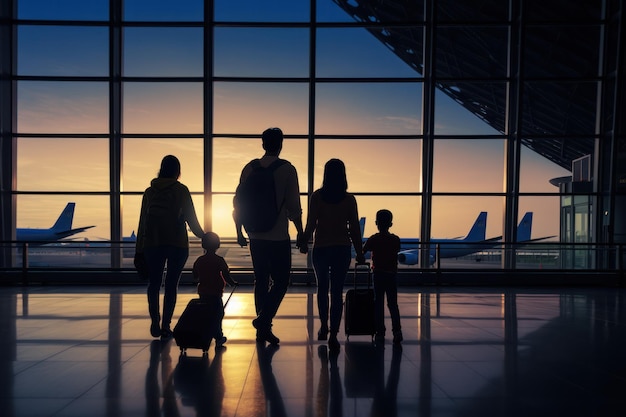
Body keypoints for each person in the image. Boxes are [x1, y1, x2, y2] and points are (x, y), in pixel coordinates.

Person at [233, 127, 305, 345]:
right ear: (281, 144)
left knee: (261, 280)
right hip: (278, 236)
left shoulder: (249, 168)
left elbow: (238, 203)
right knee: (282, 282)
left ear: (263, 144)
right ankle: (264, 320)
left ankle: (262, 328)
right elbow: (294, 206)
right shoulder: (287, 169)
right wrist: (301, 232)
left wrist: (239, 231)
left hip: (255, 234)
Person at [136, 155, 205, 339]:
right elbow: (191, 219)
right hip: (177, 244)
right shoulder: (181, 190)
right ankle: (166, 325)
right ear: (177, 171)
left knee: (154, 284)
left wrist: (139, 250)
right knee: (171, 285)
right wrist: (204, 235)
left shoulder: (150, 192)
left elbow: (142, 222)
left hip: (152, 243)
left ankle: (154, 321)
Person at [301, 158, 365, 351]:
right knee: (337, 293)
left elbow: (311, 224)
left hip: (321, 249)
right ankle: (334, 335)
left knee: (322, 289)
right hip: (341, 249)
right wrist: (360, 252)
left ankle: (323, 326)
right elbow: (354, 229)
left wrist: (304, 241)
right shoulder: (349, 200)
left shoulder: (317, 197)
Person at [362, 209, 403, 344]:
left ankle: (380, 331)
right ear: (390, 224)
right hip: (391, 275)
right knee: (393, 304)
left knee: (378, 304)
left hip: (378, 274)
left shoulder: (373, 239)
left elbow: (363, 251)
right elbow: (396, 249)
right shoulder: (395, 239)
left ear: (376, 223)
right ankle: (397, 331)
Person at [193, 232, 238, 347]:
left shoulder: (200, 260)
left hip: (203, 292)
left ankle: (206, 335)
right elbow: (226, 275)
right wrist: (233, 283)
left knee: (206, 314)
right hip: (216, 293)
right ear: (217, 245)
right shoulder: (219, 260)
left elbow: (195, 275)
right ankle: (218, 336)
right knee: (217, 314)